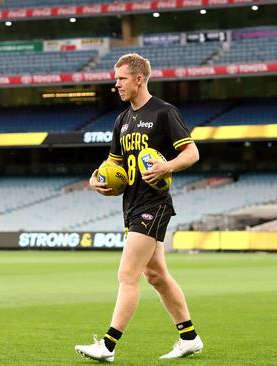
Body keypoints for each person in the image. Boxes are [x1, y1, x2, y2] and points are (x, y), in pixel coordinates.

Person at [74, 53, 202, 362]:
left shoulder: (163, 113)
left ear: (138, 79)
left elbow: (192, 153)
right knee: (156, 275)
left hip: (154, 203)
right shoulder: (122, 120)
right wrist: (100, 181)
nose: (115, 83)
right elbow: (115, 165)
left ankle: (108, 345)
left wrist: (166, 167)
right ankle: (189, 338)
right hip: (130, 205)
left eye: (120, 78)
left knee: (127, 274)